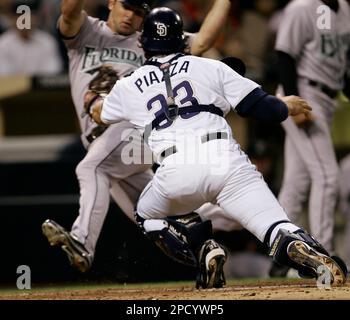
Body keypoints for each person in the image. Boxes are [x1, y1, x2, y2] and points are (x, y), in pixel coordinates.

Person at [91, 7, 348, 289]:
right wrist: (285, 105)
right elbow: (263, 107)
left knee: (147, 214)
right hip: (228, 164)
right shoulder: (210, 65)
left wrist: (95, 99)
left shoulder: (127, 85)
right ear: (182, 40)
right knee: (274, 225)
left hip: (175, 171)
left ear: (143, 43)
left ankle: (202, 247)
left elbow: (99, 113)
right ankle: (295, 242)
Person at [41, 0, 233, 273]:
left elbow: (202, 41)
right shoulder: (87, 30)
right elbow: (69, 11)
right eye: (127, 6)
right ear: (111, 3)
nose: (132, 16)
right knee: (152, 213)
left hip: (136, 128)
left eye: (139, 11)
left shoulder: (151, 40)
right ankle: (227, 228)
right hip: (107, 143)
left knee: (91, 167)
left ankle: (82, 240)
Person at [274, 0, 350, 261]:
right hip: (304, 96)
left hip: (328, 98)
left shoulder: (344, 8)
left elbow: (343, 63)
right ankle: (323, 252)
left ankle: (281, 251)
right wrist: (296, 106)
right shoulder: (301, 7)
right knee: (328, 177)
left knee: (297, 181)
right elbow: (284, 55)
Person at [0, 0, 63, 76]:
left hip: (41, 88)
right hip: (12, 87)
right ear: (13, 19)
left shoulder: (47, 41)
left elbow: (52, 74)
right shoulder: (3, 43)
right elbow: (4, 76)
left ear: (36, 18)